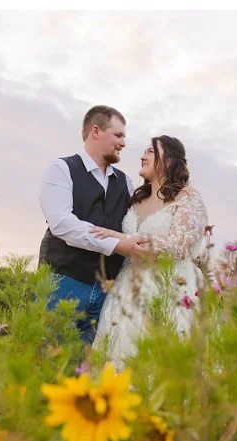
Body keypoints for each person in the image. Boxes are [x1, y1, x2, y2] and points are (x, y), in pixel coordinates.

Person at [89, 135, 208, 367]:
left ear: (171, 160)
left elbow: (180, 246)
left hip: (169, 288)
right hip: (126, 291)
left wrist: (122, 238)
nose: (142, 156)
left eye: (150, 152)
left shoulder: (188, 198)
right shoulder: (136, 199)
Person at [39, 105, 150, 345]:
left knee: (88, 371)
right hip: (63, 284)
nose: (123, 143)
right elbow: (62, 224)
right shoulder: (61, 169)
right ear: (96, 131)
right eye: (118, 135)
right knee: (51, 361)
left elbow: (132, 228)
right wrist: (116, 245)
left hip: (107, 294)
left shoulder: (126, 182)